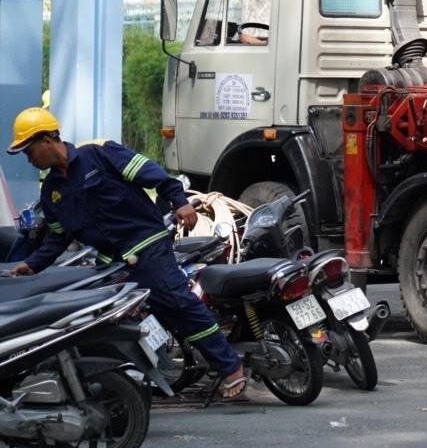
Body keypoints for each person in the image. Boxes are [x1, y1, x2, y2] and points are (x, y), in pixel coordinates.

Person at [5, 107, 251, 398]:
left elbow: (155, 175)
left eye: (28, 149)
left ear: (46, 140)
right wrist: (31, 266)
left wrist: (179, 202)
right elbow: (57, 238)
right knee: (103, 318)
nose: (28, 158)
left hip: (147, 245)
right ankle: (126, 384)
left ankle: (230, 367)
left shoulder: (97, 153)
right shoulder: (52, 192)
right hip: (113, 262)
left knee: (178, 303)